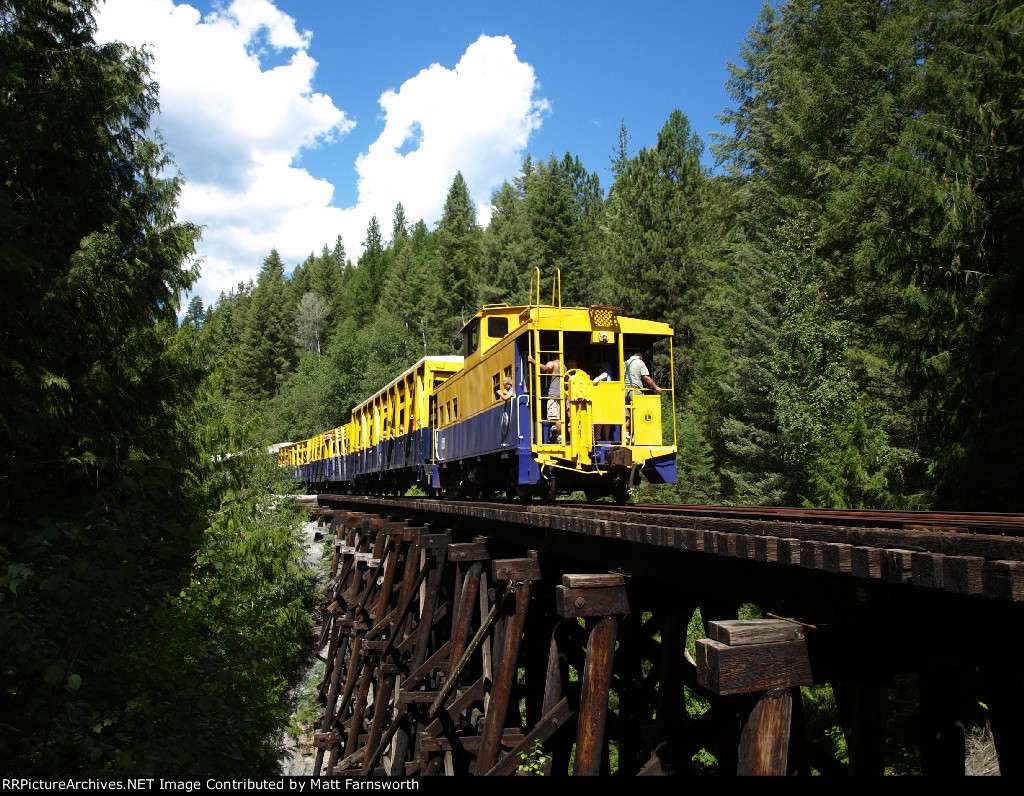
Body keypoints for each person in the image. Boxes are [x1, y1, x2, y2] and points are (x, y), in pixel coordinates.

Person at [624, 352, 662, 443]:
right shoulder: (640, 362)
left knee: (627, 415)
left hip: (624, 390)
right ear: (640, 357)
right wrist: (656, 387)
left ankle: (626, 436)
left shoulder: (624, 363)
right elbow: (646, 377)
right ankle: (637, 437)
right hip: (635, 390)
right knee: (639, 413)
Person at [528, 353, 562, 443]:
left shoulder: (553, 363)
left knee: (555, 418)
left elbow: (545, 368)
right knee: (557, 417)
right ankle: (556, 434)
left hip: (553, 395)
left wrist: (533, 361)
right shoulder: (563, 365)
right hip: (560, 394)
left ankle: (559, 436)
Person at [592, 363, 613, 442]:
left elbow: (595, 381)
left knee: (599, 418)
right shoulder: (611, 376)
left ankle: (597, 436)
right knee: (607, 421)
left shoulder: (605, 374)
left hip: (602, 399)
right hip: (608, 399)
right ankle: (607, 438)